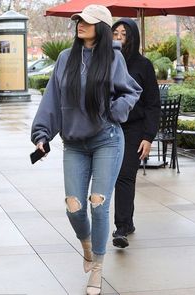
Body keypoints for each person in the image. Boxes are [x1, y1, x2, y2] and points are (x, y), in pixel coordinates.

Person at [31, 5, 142, 295]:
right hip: (74, 144)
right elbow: (52, 101)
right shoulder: (66, 59)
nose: (80, 25)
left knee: (98, 204)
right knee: (74, 207)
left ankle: (97, 269)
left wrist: (114, 111)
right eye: (79, 20)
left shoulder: (112, 58)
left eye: (88, 22)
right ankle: (87, 245)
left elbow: (132, 91)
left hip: (107, 139)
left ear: (101, 28)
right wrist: (42, 134)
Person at [111, 18, 161, 248]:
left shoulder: (143, 65)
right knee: (110, 178)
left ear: (133, 37)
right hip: (109, 127)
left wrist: (148, 137)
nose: (119, 36)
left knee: (125, 176)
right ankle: (127, 222)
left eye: (124, 33)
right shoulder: (106, 61)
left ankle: (121, 227)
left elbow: (153, 103)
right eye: (115, 32)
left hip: (134, 129)